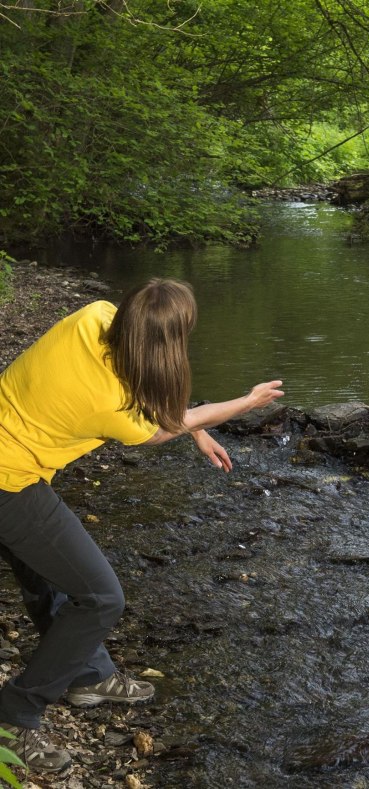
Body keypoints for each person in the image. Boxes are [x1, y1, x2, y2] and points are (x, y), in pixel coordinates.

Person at [0, 278, 284, 773]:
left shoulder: (93, 316)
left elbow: (163, 404)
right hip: (8, 482)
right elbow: (160, 425)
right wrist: (245, 402)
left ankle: (87, 675)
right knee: (102, 597)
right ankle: (13, 718)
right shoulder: (110, 405)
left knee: (49, 571)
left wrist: (197, 430)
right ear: (172, 342)